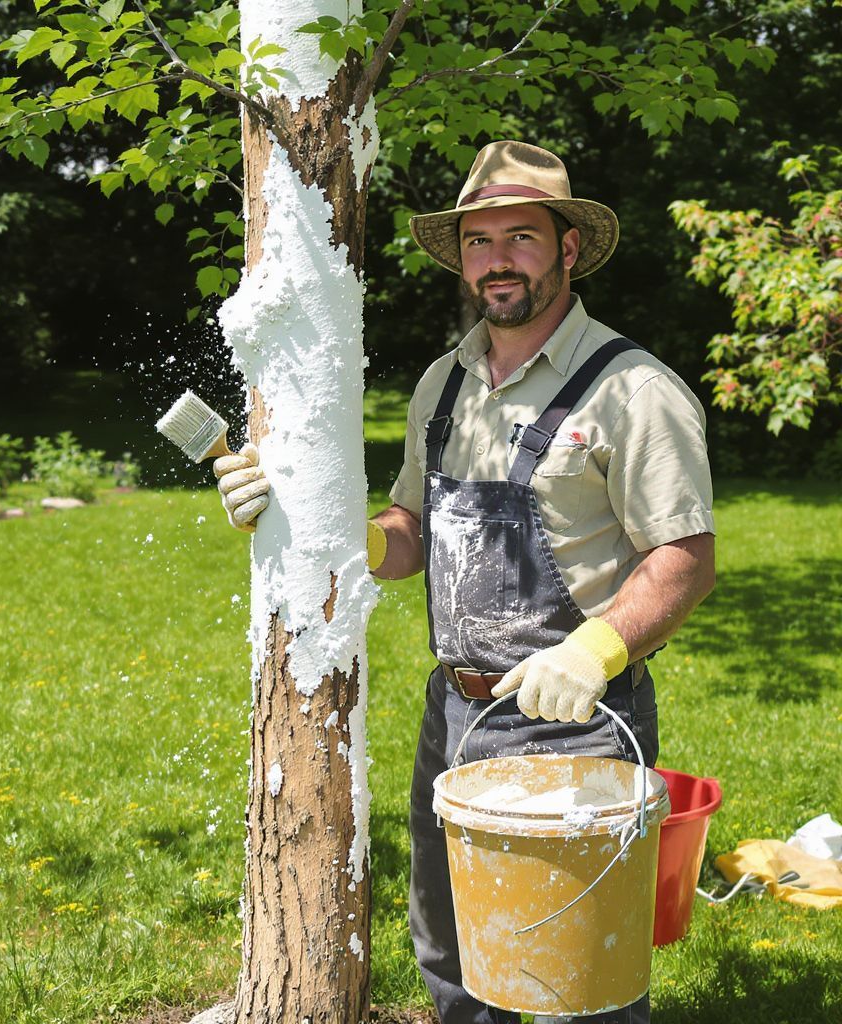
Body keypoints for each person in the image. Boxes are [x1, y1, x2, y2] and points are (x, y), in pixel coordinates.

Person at [213, 140, 716, 1024]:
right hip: (456, 715)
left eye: (521, 236)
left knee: (574, 976)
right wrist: (324, 534)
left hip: (578, 727)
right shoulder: (443, 385)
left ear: (568, 248)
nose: (497, 260)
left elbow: (684, 558)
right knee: (453, 956)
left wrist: (593, 653)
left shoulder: (634, 390)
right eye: (479, 243)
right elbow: (410, 530)